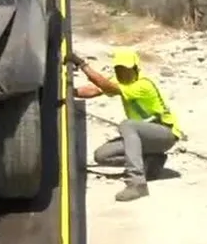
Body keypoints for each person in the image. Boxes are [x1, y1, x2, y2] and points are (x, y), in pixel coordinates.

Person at [69, 48, 183, 202]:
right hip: (144, 137)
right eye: (120, 70)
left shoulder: (143, 84)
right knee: (102, 155)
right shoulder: (120, 81)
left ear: (136, 69)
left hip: (164, 134)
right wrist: (70, 91)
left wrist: (82, 65)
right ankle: (151, 161)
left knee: (127, 125)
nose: (124, 74)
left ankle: (137, 183)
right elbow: (94, 90)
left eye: (127, 70)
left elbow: (107, 86)